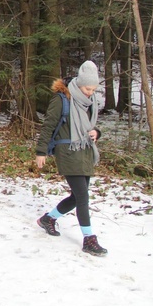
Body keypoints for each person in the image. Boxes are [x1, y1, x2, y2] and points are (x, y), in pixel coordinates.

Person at [35, 61, 107, 256]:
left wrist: (96, 133)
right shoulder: (62, 99)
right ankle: (89, 239)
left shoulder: (90, 103)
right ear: (78, 84)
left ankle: (48, 219)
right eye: (87, 88)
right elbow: (48, 126)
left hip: (85, 151)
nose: (90, 92)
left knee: (77, 197)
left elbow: (91, 126)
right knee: (83, 197)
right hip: (67, 151)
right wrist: (41, 152)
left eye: (93, 89)